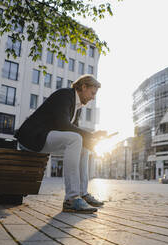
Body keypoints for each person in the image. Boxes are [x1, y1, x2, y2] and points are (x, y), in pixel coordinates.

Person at [14, 74, 107, 214]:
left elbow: (74, 131)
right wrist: (92, 135)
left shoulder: (78, 107)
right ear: (83, 87)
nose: (93, 97)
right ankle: (71, 198)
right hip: (32, 138)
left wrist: (92, 141)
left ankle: (82, 194)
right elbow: (64, 125)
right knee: (76, 139)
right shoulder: (64, 95)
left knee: (84, 148)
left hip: (45, 137)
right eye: (92, 93)